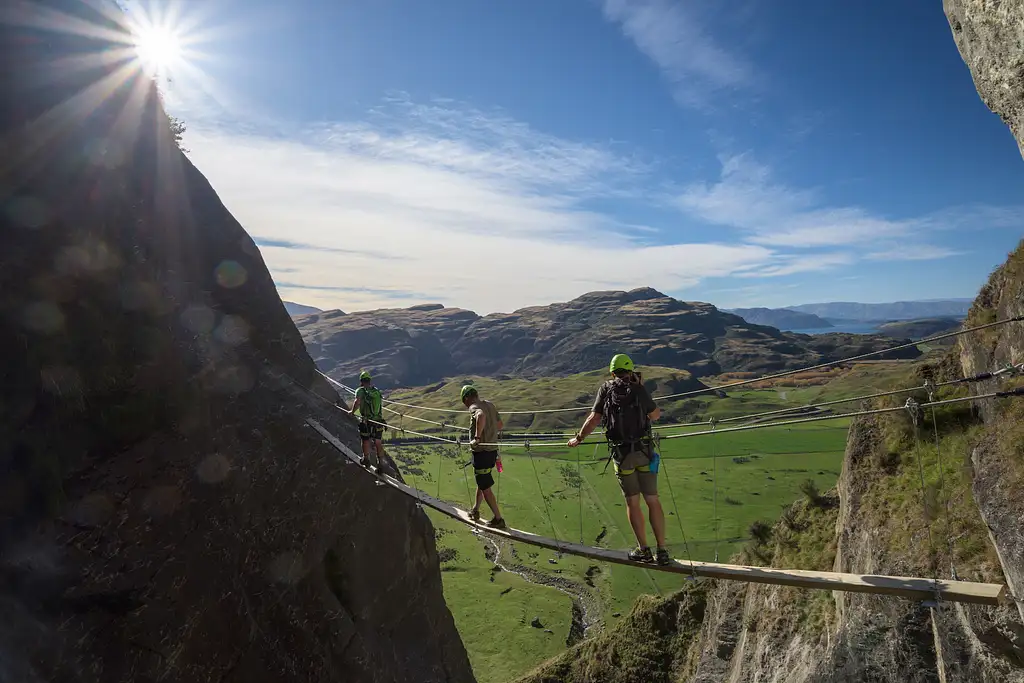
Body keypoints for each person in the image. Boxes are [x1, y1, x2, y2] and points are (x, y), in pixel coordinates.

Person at [567, 353, 669, 565]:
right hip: (644, 452)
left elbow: (594, 418)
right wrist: (640, 388)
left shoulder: (606, 389)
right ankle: (662, 551)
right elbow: (655, 415)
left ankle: (643, 550)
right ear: (631, 370)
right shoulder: (638, 388)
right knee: (652, 500)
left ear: (612, 372)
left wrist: (578, 438)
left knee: (632, 502)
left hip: (622, 456)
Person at [461, 385, 506, 529]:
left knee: (486, 487)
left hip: (482, 452)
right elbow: (499, 425)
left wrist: (477, 437)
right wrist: (489, 433)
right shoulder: (490, 405)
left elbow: (481, 416)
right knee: (483, 481)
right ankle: (475, 510)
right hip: (492, 451)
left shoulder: (474, 407)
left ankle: (498, 519)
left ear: (466, 398)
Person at [348, 370, 385, 468]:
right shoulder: (376, 391)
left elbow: (357, 402)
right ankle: (381, 463)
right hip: (378, 421)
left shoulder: (360, 390)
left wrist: (352, 412)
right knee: (378, 441)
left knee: (365, 440)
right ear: (370, 380)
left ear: (361, 381)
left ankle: (366, 459)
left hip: (367, 421)